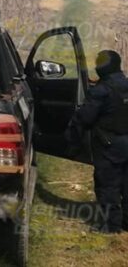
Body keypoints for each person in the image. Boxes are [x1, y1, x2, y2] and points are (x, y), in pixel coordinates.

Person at [71, 50, 128, 233]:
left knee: (108, 185)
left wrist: (71, 136)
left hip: (108, 145)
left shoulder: (101, 90)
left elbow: (86, 118)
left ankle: (112, 227)